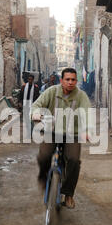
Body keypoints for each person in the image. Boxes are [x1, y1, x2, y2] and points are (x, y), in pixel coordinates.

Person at [31, 68, 91, 209]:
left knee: (74, 160)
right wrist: (35, 113)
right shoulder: (51, 91)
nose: (70, 82)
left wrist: (86, 130)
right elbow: (36, 105)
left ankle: (68, 194)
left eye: (73, 80)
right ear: (61, 80)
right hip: (51, 132)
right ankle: (43, 177)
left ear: (76, 81)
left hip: (72, 134)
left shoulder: (81, 96)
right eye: (67, 79)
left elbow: (87, 114)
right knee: (43, 156)